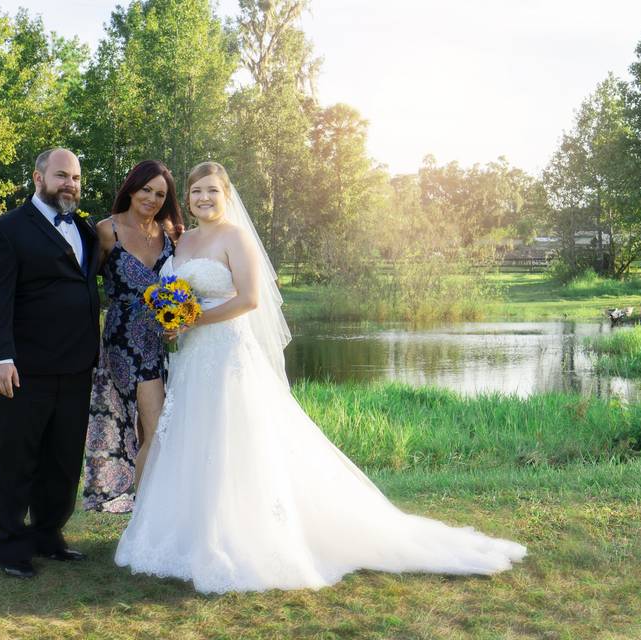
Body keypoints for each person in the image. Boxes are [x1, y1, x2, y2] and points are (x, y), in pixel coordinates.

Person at [114, 162, 526, 593]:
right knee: (193, 439)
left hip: (228, 354)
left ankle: (239, 536)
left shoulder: (235, 238)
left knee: (230, 439)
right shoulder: (184, 240)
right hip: (193, 357)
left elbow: (251, 299)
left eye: (212, 191)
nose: (203, 198)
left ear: (227, 195)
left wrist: (195, 320)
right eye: (196, 191)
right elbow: (176, 293)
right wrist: (174, 320)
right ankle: (190, 533)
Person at [0, 148, 100, 579]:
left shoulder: (85, 230)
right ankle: (9, 547)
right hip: (22, 368)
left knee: (62, 460)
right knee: (13, 459)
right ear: (38, 177)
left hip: (77, 366)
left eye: (76, 178)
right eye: (62, 175)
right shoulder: (4, 230)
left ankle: (48, 534)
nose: (70, 184)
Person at [82, 160, 183, 513]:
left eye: (160, 194)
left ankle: (153, 506)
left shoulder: (171, 233)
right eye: (146, 190)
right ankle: (147, 515)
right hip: (125, 339)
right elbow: (82, 286)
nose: (152, 199)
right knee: (155, 426)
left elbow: (185, 284)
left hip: (168, 339)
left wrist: (183, 320)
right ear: (131, 188)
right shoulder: (106, 231)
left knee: (148, 427)